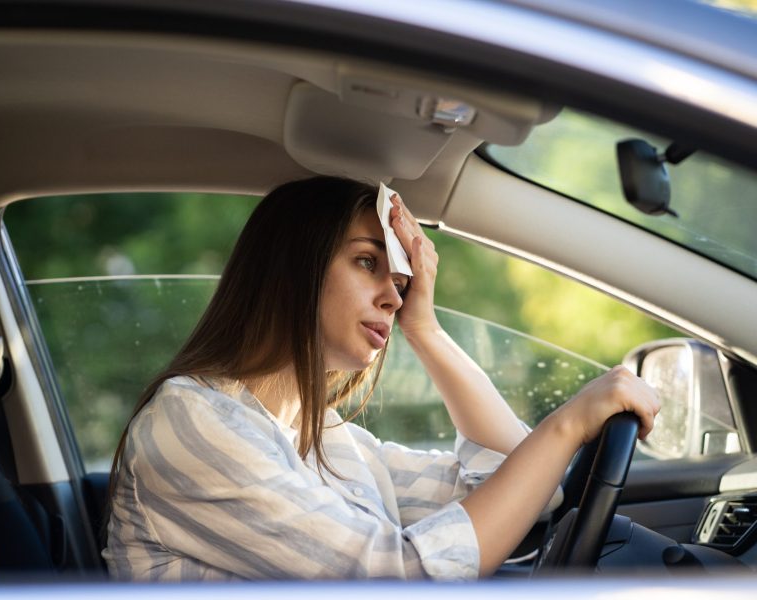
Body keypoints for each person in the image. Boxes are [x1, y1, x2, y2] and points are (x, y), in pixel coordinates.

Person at [103, 176, 660, 581]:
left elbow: (521, 488)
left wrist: (427, 331)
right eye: (368, 263)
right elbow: (401, 580)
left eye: (402, 281)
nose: (395, 296)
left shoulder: (325, 438)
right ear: (294, 267)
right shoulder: (190, 421)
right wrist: (567, 425)